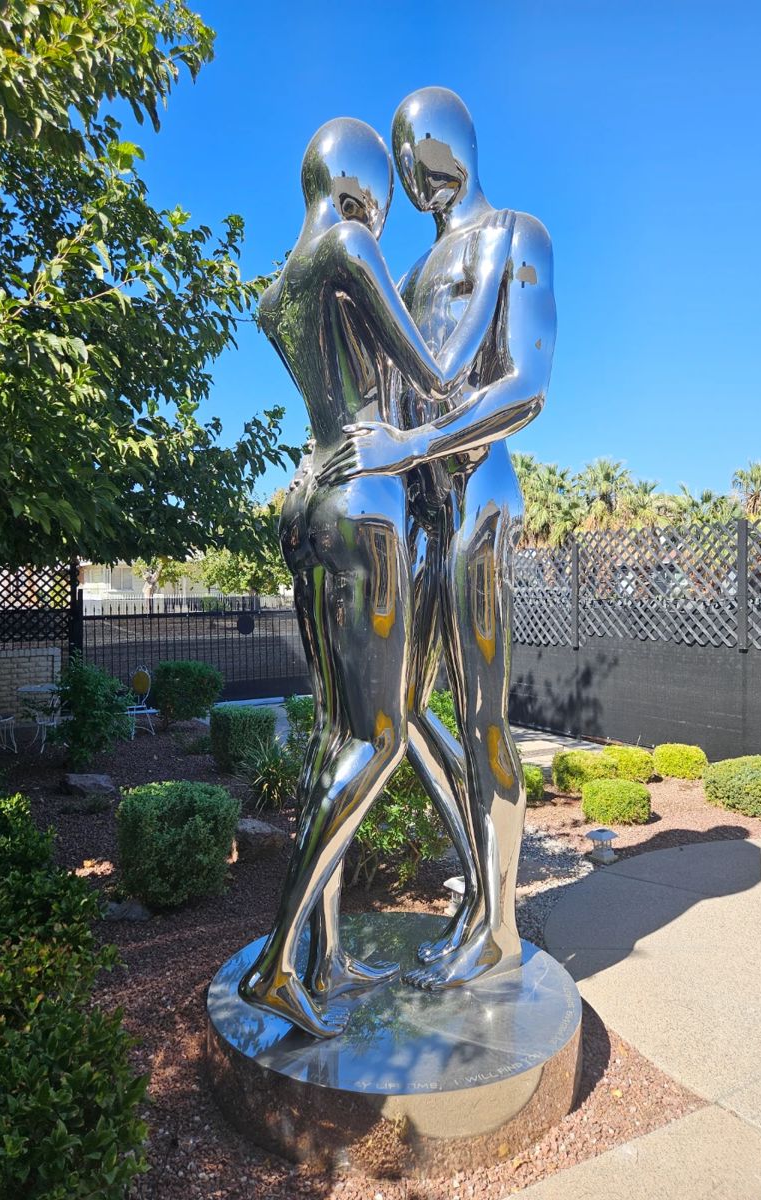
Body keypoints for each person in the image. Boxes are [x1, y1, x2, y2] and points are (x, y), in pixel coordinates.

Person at [239, 116, 506, 1036]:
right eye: (386, 184)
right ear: (362, 184)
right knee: (383, 739)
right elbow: (433, 376)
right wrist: (487, 290)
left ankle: (325, 955)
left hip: (306, 499)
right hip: (367, 505)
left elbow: (329, 394)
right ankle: (278, 962)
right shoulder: (352, 245)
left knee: (330, 733)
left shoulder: (277, 291)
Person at [323, 87, 556, 989]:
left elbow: (525, 385)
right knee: (405, 713)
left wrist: (415, 445)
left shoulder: (517, 235)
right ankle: (483, 889)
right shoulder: (414, 270)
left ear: (451, 141)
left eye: (416, 146)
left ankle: (499, 930)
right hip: (416, 508)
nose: (408, 169)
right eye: (398, 152)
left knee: (482, 712)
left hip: (478, 493)